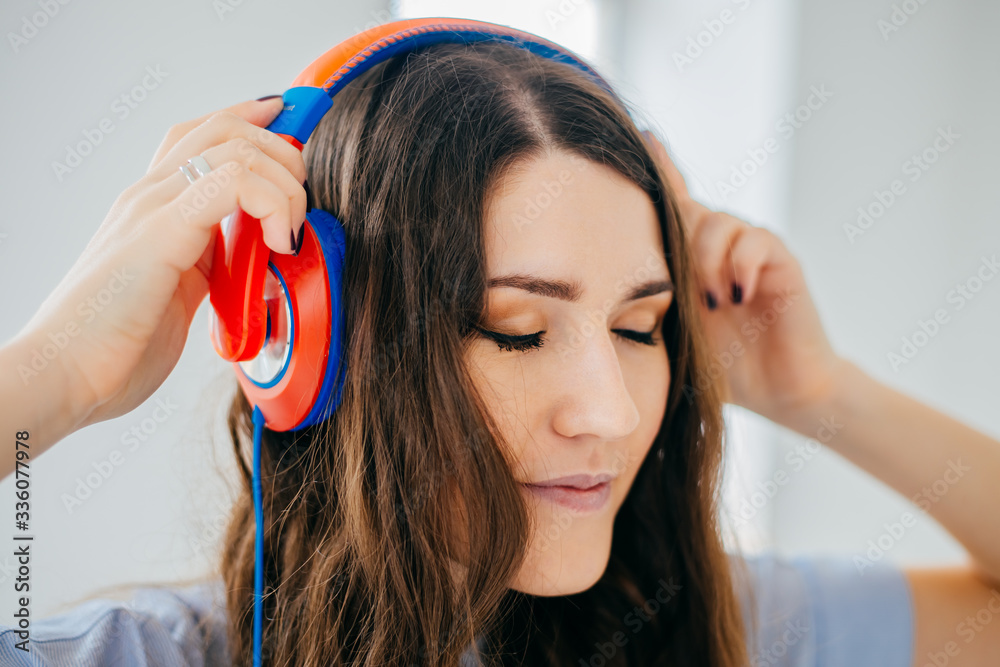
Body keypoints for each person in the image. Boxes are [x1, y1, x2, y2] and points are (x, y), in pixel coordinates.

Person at [2, 38, 999, 666]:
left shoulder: (710, 628)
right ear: (309, 341)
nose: (610, 412)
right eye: (517, 331)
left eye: (640, 327)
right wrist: (58, 375)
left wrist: (820, 392)